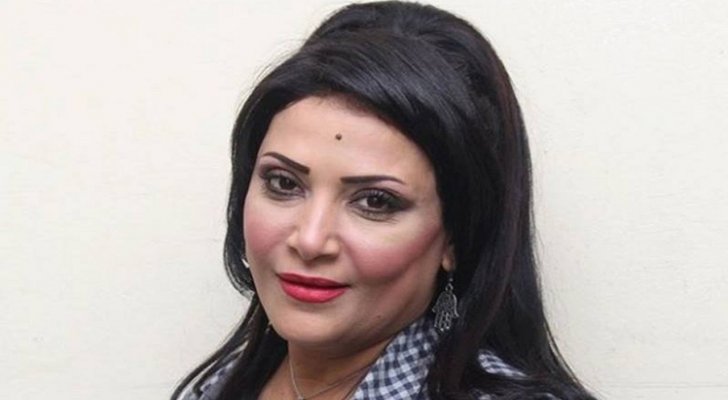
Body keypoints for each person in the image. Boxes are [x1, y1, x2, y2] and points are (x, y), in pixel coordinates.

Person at [173, 1, 595, 399]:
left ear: (455, 235)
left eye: (375, 201)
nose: (311, 240)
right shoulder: (218, 387)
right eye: (284, 183)